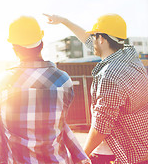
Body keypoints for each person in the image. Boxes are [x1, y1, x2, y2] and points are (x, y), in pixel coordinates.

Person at [44, 13, 148, 164]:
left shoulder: (110, 75)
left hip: (113, 154)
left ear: (101, 39)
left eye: (93, 36)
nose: (90, 41)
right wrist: (65, 21)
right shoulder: (130, 57)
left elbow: (101, 126)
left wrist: (81, 156)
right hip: (140, 147)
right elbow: (87, 40)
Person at [0, 16, 90, 164]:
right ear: (41, 44)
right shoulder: (64, 80)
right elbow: (62, 119)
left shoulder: (3, 82)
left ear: (14, 48)